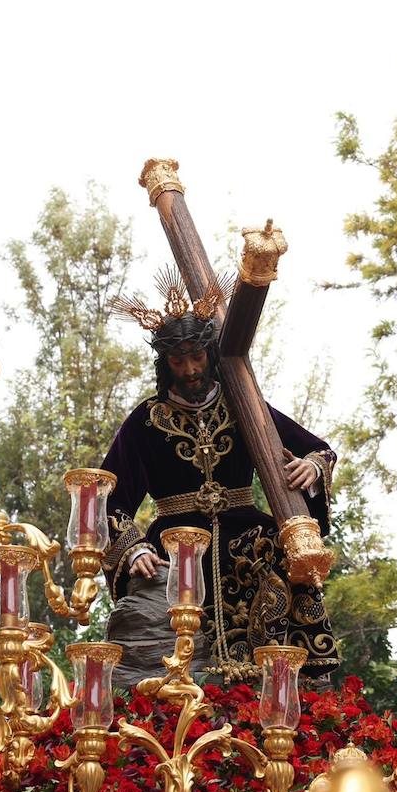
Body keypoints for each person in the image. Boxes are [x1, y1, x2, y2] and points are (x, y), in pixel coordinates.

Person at [101, 272, 339, 682]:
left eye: (197, 357)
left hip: (248, 533)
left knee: (276, 552)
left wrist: (313, 467)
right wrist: (134, 548)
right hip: (176, 545)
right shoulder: (146, 420)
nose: (191, 370)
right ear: (166, 364)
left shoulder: (244, 405)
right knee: (159, 610)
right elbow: (106, 494)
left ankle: (284, 689)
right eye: (179, 361)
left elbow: (318, 449)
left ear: (210, 354)